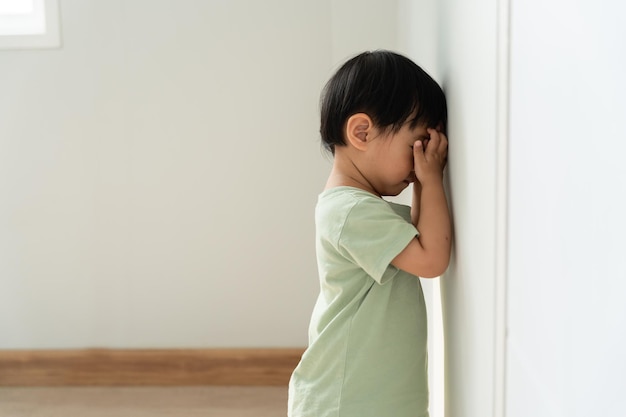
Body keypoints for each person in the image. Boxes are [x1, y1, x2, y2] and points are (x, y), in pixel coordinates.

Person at [288, 50, 451, 417]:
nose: (422, 158)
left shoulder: (357, 207)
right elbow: (431, 258)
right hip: (347, 400)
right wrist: (432, 178)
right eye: (417, 144)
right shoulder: (352, 211)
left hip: (366, 397)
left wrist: (424, 181)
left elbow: (420, 230)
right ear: (362, 132)